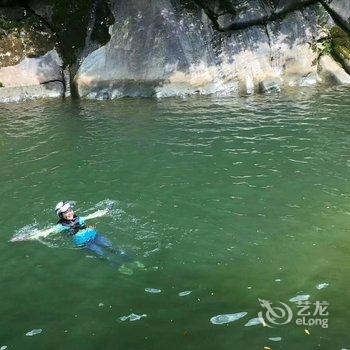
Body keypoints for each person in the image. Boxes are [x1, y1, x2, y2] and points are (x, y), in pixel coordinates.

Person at [53, 201, 132, 265]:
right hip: (84, 243)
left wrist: (107, 210)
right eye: (66, 212)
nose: (69, 213)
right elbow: (48, 231)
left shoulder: (79, 218)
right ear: (61, 215)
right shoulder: (61, 226)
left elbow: (94, 215)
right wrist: (40, 234)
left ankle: (128, 259)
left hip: (95, 236)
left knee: (110, 246)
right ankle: (117, 265)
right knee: (101, 254)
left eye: (70, 210)